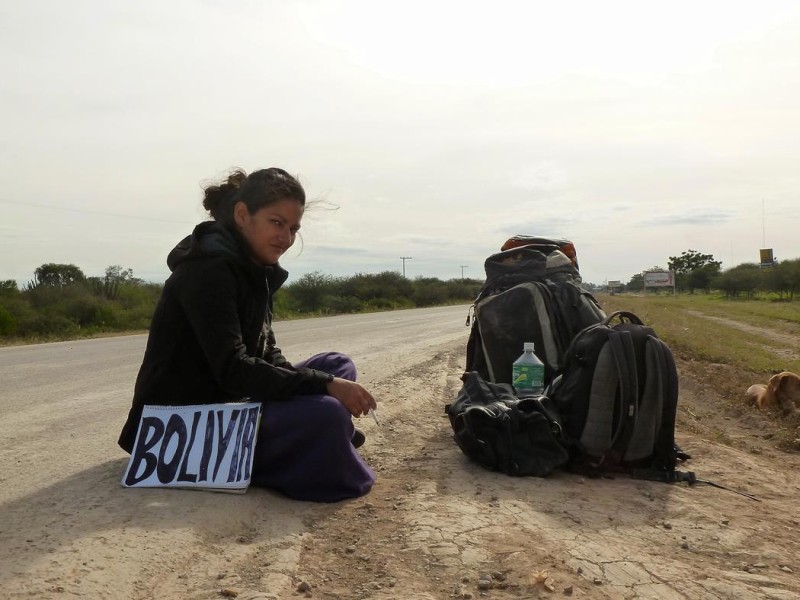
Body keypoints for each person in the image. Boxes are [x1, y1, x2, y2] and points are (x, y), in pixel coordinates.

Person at [118, 167, 377, 502]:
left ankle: (319, 440)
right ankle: (319, 442)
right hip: (173, 431)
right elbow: (235, 369)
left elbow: (266, 354)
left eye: (293, 228)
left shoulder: (254, 268)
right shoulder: (208, 270)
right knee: (325, 411)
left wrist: (325, 379)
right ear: (243, 215)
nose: (285, 237)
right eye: (276, 222)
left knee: (336, 365)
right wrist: (322, 386)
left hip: (228, 403)